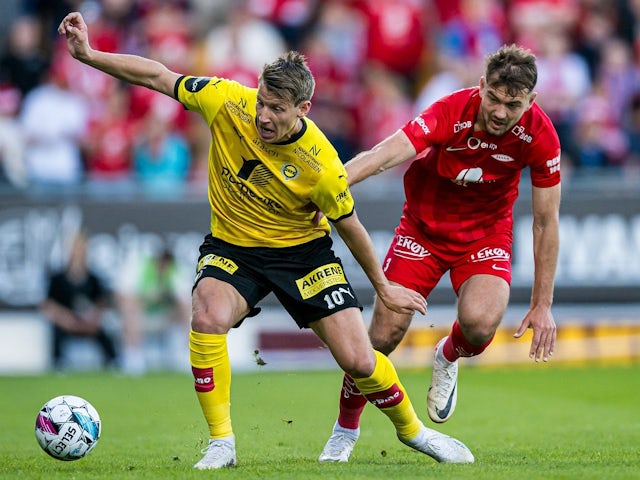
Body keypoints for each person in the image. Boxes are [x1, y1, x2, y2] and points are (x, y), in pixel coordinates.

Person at [58, 11, 474, 470]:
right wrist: (90, 55)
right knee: (207, 312)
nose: (263, 116)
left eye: (277, 108)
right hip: (233, 248)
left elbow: (349, 225)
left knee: (358, 359)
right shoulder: (225, 100)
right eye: (262, 102)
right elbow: (159, 75)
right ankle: (221, 443)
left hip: (303, 255)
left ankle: (414, 432)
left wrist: (383, 287)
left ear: (304, 110)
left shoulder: (322, 164)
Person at [318, 44, 562, 462]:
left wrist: (542, 304)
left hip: (485, 237)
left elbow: (545, 222)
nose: (501, 112)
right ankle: (345, 428)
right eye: (494, 99)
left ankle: (447, 356)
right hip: (423, 231)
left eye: (513, 105)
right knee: (381, 338)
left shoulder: (541, 136)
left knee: (482, 324)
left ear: (531, 101)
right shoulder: (451, 109)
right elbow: (384, 155)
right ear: (481, 86)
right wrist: (330, 188)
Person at [41, 231, 118, 371]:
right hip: (66, 321)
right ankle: (57, 363)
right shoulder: (58, 278)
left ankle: (112, 362)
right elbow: (48, 305)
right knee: (56, 331)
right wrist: (64, 319)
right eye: (75, 249)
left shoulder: (93, 278)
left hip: (87, 322)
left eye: (81, 248)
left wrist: (93, 317)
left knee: (103, 332)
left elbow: (101, 302)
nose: (78, 253)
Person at [116, 249, 191, 375]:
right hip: (143, 317)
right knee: (130, 309)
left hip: (166, 317)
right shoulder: (141, 270)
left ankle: (187, 353)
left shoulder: (174, 272)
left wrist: (166, 295)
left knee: (187, 308)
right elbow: (123, 296)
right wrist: (147, 298)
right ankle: (134, 358)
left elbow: (184, 298)